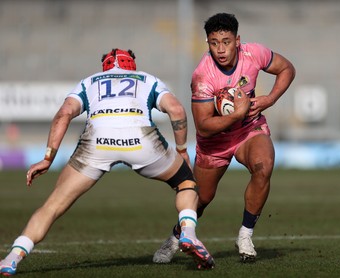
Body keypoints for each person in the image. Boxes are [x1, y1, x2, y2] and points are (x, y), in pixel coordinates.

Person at [0, 48, 215, 276]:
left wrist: (47, 158)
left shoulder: (89, 82)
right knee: (186, 183)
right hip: (141, 140)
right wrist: (181, 151)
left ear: (105, 67)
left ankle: (12, 258)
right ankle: (189, 235)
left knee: (53, 205)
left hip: (97, 141)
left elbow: (63, 114)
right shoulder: (147, 79)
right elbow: (176, 110)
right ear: (131, 64)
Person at [153, 13, 295, 263]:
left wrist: (269, 99)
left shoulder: (254, 54)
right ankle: (176, 236)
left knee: (264, 166)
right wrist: (236, 114)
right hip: (214, 142)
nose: (220, 49)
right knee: (202, 199)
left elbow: (287, 69)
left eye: (226, 41)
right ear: (207, 43)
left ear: (237, 40)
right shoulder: (202, 75)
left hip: (249, 130)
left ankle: (245, 234)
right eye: (214, 42)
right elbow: (204, 127)